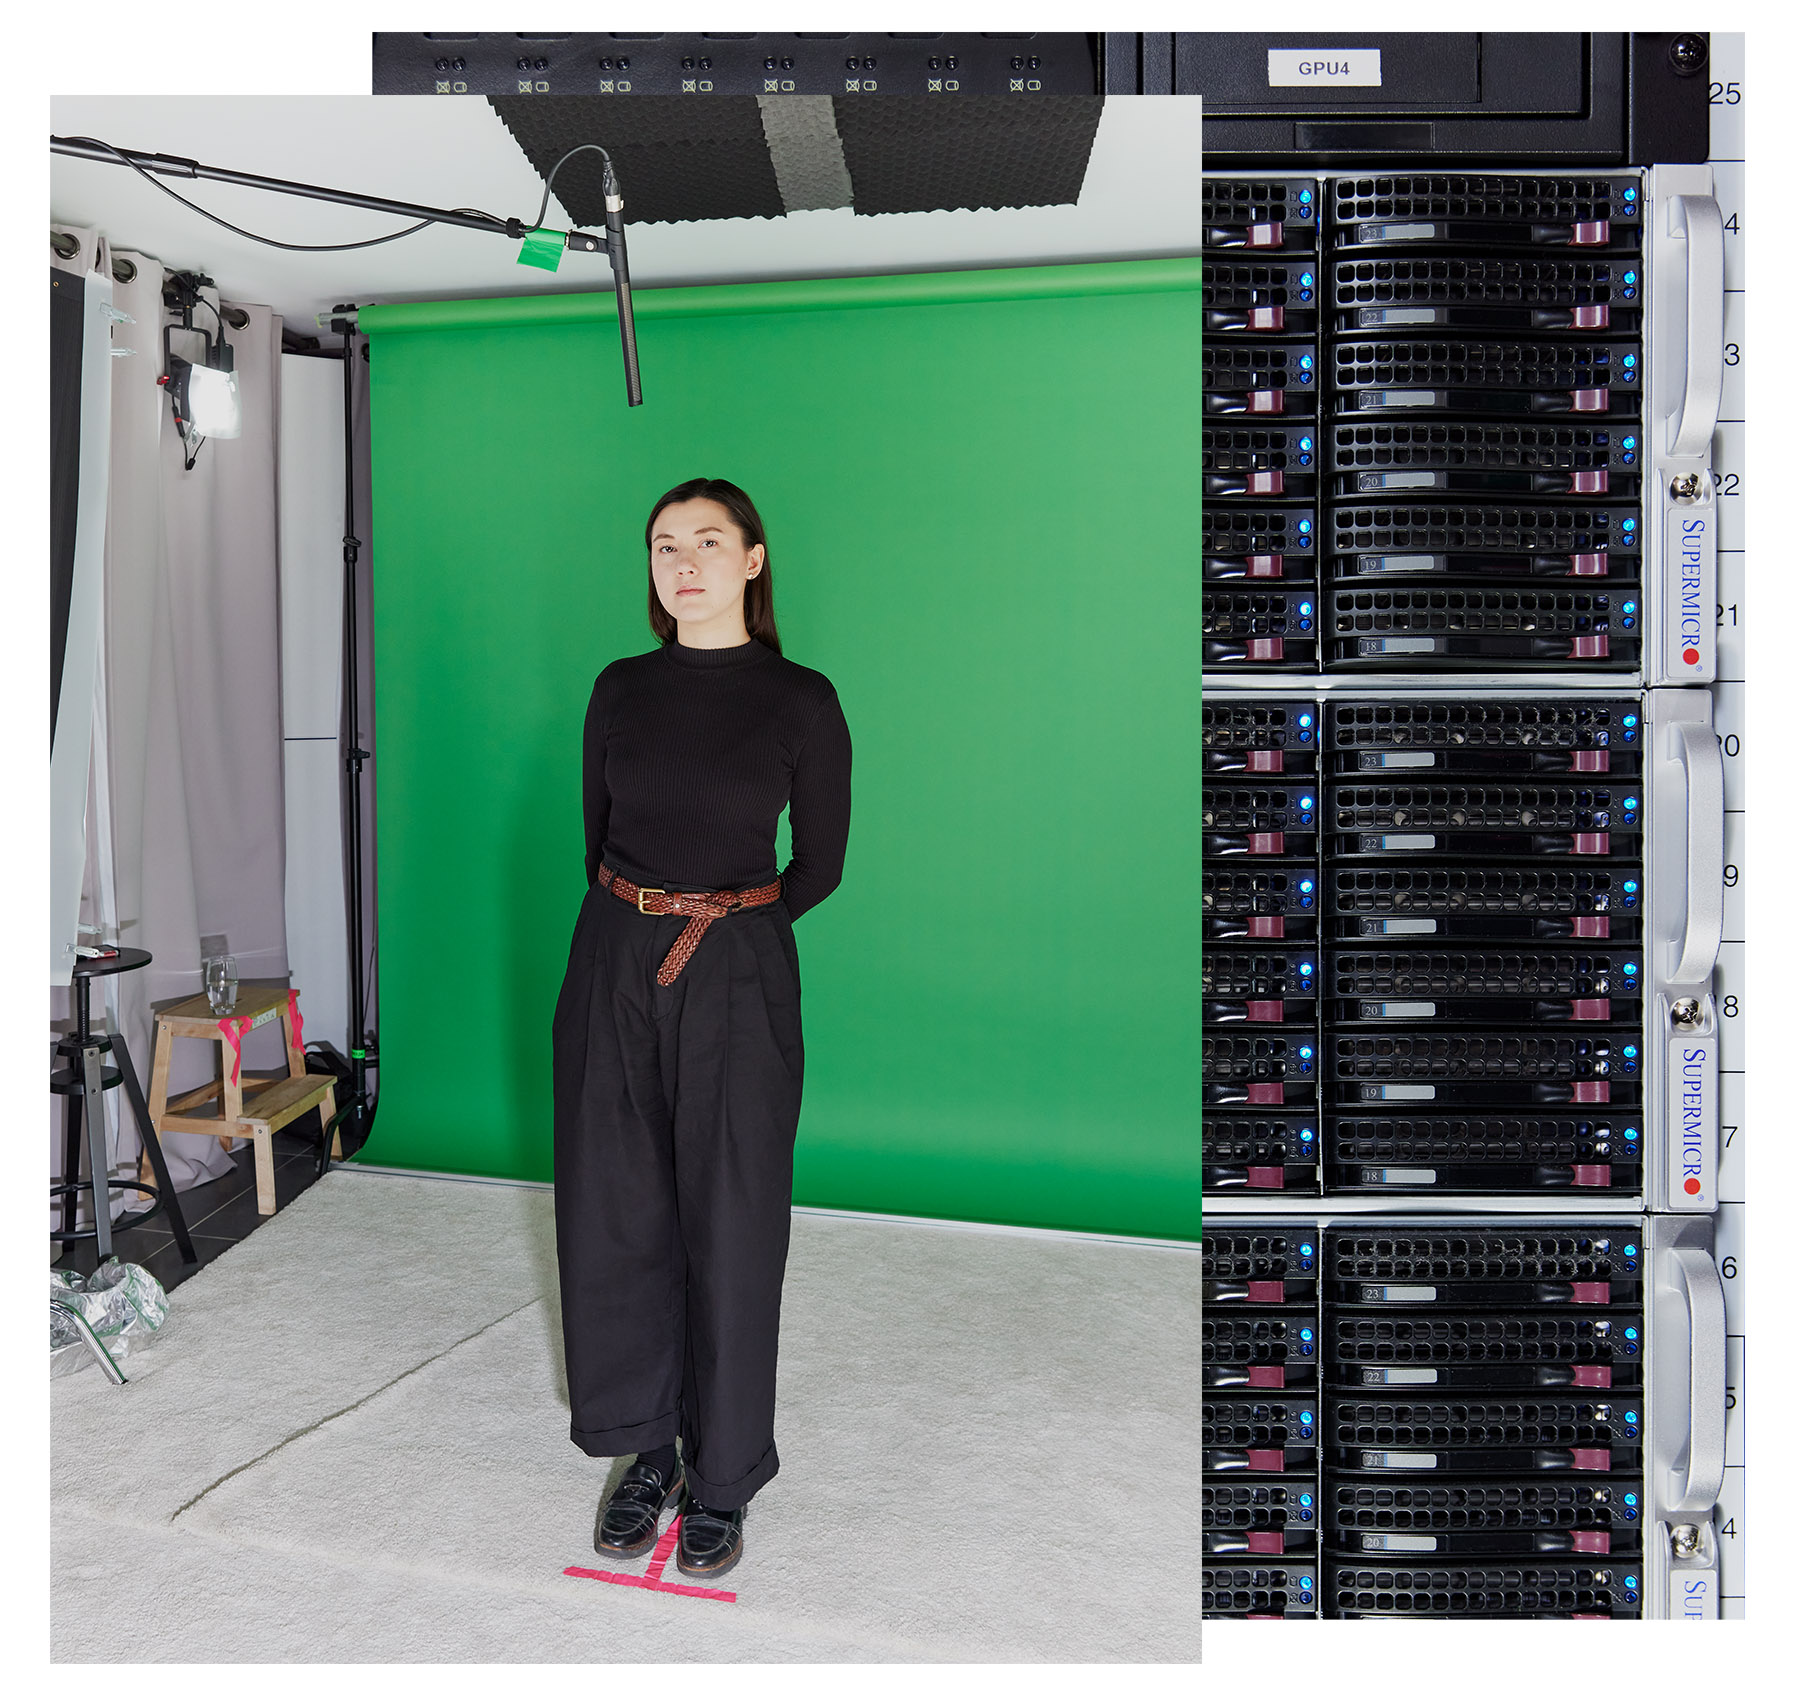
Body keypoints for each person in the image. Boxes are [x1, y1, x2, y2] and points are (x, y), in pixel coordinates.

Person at [552, 477, 853, 1579]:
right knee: (614, 1208)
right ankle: (645, 1448)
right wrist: (647, 926)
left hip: (737, 963)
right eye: (664, 544)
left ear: (753, 560)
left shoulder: (801, 700)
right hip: (613, 953)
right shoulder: (619, 688)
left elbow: (816, 864)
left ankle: (723, 1472)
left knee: (730, 1219)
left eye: (707, 541)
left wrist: (725, 925)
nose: (682, 561)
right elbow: (600, 835)